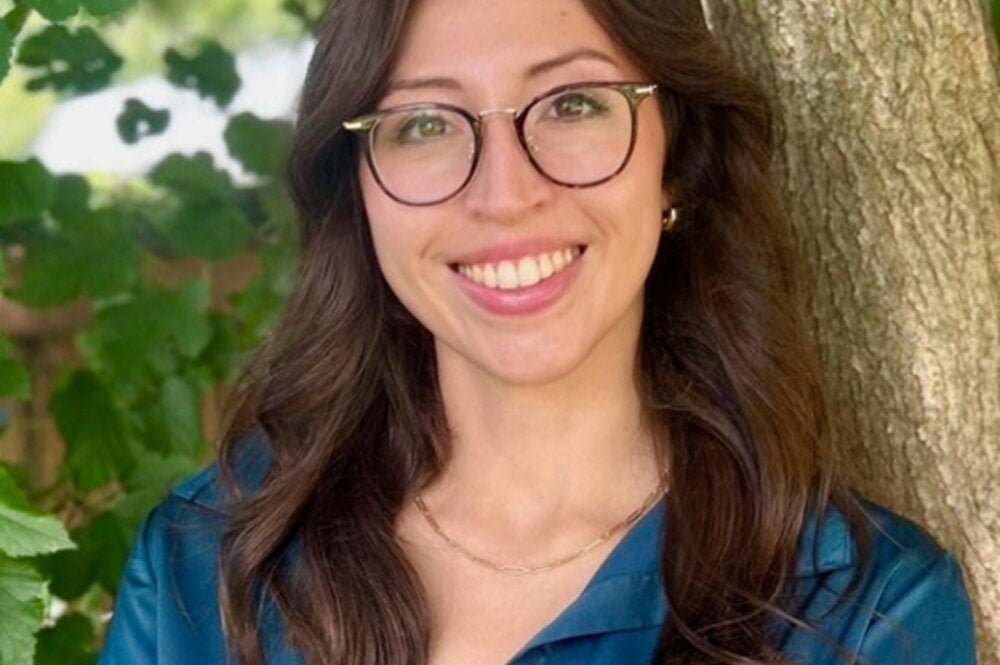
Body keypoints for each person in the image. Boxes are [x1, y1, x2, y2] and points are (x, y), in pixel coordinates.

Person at [98, 1, 977, 664]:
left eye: (573, 104)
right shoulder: (206, 564)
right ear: (358, 192)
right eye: (425, 124)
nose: (506, 195)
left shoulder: (862, 613)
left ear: (676, 157)